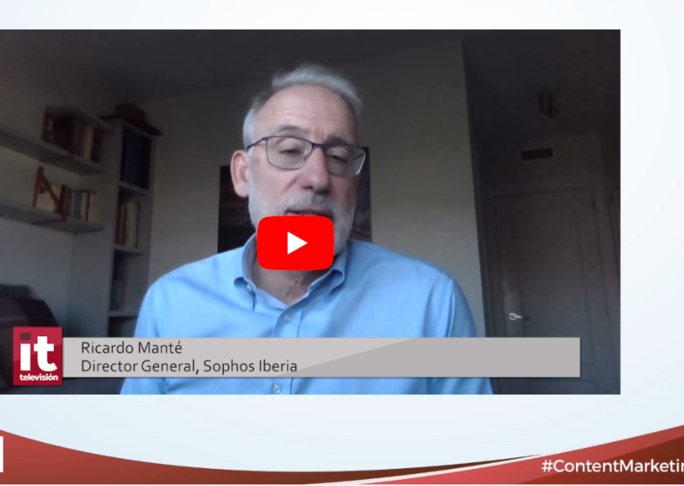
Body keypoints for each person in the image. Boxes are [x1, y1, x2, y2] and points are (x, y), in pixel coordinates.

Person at [121, 64, 492, 395]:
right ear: (243, 174)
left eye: (338, 157)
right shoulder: (170, 302)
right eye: (289, 150)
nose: (318, 178)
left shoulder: (432, 300)